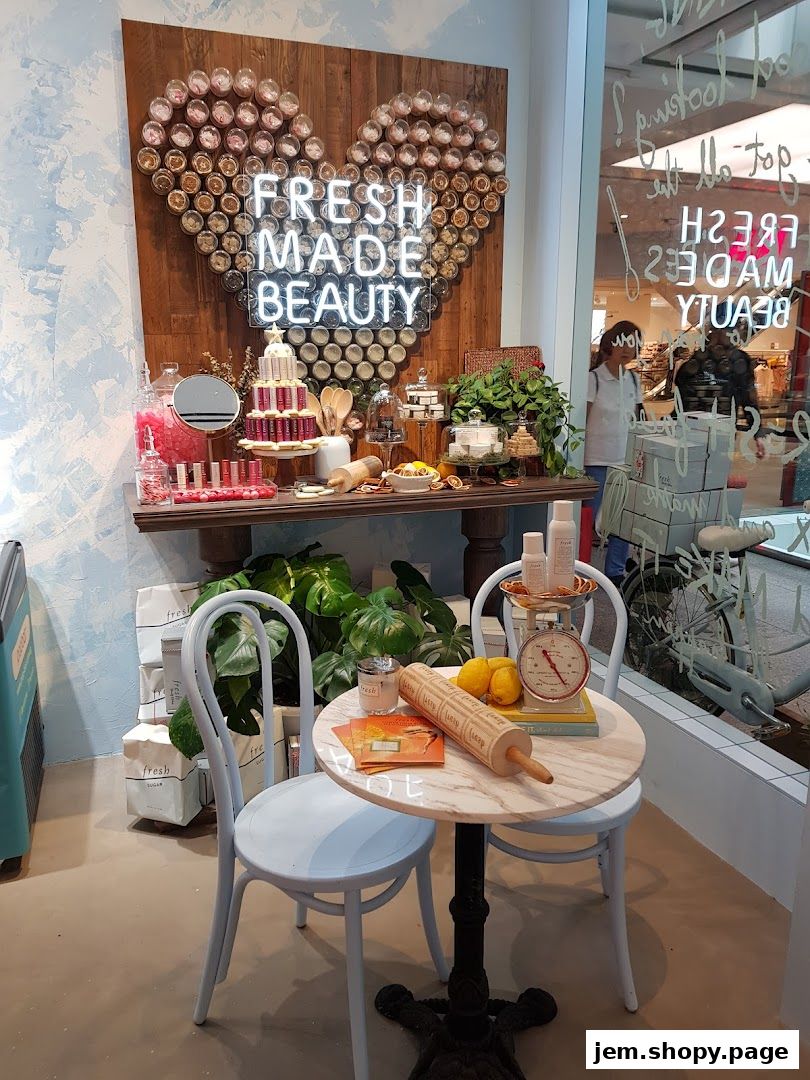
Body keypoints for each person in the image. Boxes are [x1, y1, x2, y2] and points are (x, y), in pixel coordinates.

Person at [585, 321, 643, 587]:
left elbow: (638, 420)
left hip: (623, 461)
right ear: (610, 344)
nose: (628, 349)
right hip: (596, 460)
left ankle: (615, 572)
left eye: (633, 343)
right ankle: (582, 569)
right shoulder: (594, 378)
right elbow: (582, 420)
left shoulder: (633, 379)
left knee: (621, 521)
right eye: (624, 342)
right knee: (588, 520)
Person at [675, 325, 766, 458]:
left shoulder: (732, 360)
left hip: (712, 432)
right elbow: (682, 398)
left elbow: (748, 399)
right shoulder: (701, 359)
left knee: (710, 470)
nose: (720, 335)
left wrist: (757, 433)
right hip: (697, 431)